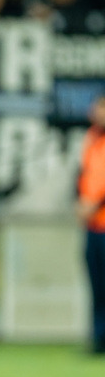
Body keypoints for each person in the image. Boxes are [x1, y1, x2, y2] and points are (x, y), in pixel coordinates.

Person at [77, 96, 105, 354]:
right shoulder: (92, 140)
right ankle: (99, 338)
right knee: (97, 284)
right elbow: (85, 175)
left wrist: (93, 204)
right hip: (94, 226)